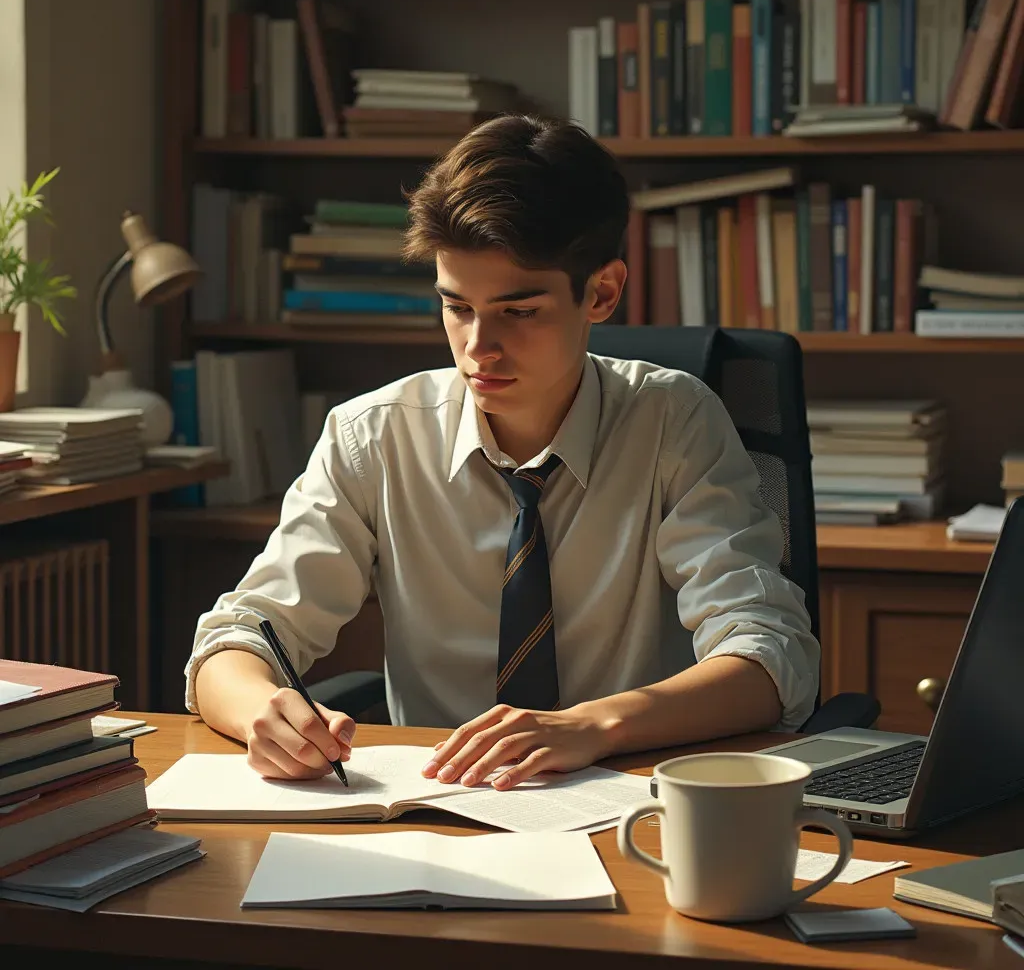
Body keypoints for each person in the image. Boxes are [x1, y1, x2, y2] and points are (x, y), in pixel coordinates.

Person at [187, 113, 818, 792]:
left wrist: (594, 725)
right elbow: (234, 643)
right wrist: (265, 712)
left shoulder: (675, 422)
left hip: (629, 801)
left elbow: (771, 659)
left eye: (518, 312)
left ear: (601, 292)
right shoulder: (372, 436)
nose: (478, 348)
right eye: (457, 308)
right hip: (435, 808)